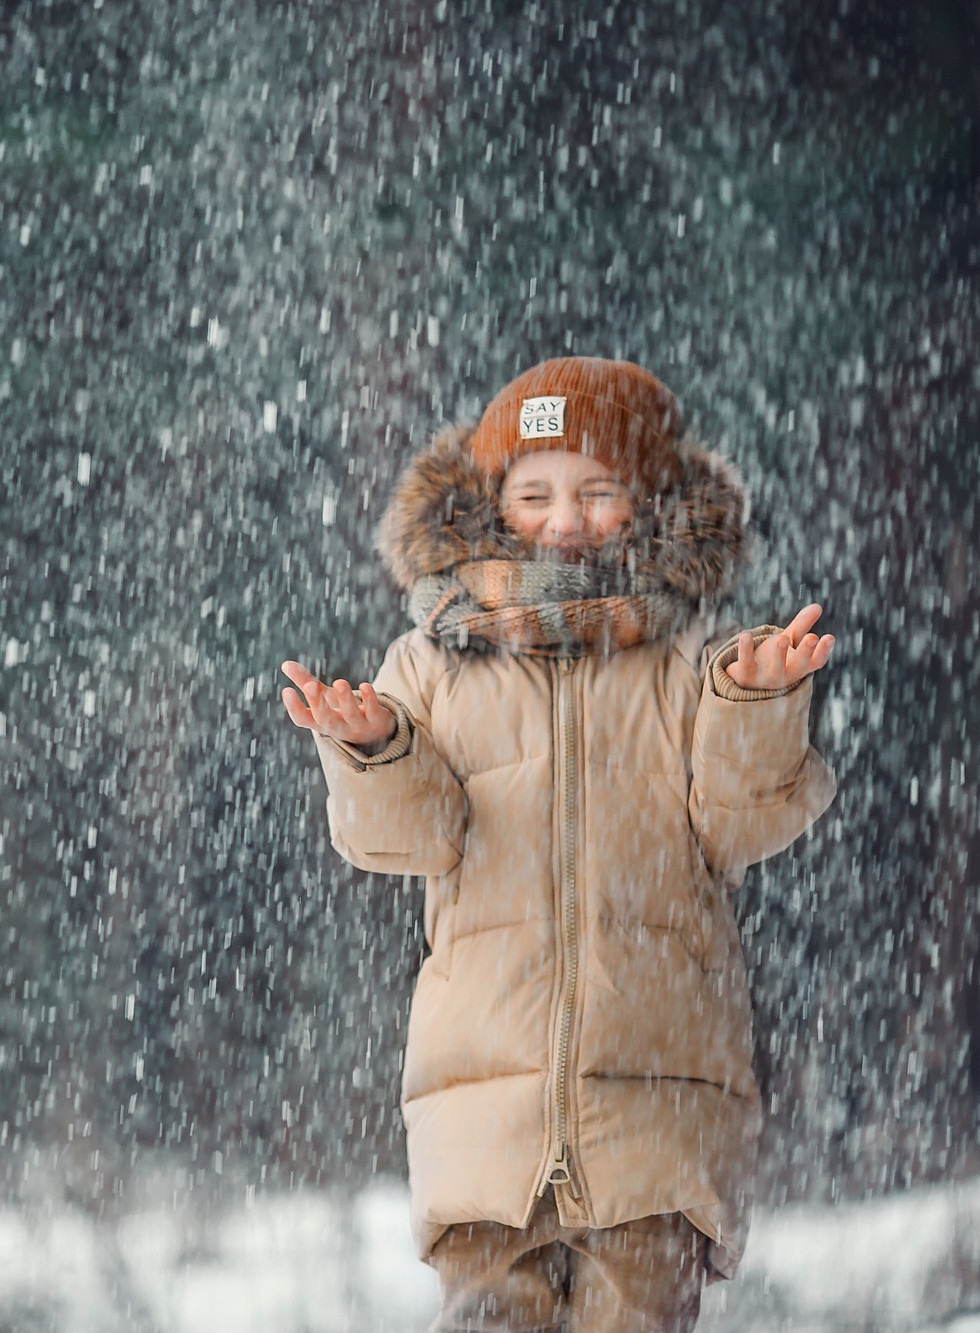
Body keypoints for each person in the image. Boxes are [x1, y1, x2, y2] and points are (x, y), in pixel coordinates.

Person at [281, 356, 837, 1332]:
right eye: (533, 493)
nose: (563, 519)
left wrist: (754, 705)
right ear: (489, 505)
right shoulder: (434, 663)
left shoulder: (686, 658)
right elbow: (406, 839)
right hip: (483, 1106)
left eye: (596, 492)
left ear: (649, 499)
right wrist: (371, 746)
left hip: (654, 1094)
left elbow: (739, 823)